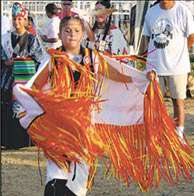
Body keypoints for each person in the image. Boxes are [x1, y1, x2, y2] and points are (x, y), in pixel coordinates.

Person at [13, 16, 132, 196]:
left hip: (83, 126)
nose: (72, 35)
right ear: (60, 33)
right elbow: (35, 86)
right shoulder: (53, 59)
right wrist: (44, 109)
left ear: (83, 34)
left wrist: (139, 79)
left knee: (78, 177)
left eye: (77, 31)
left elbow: (112, 74)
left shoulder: (91, 57)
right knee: (56, 177)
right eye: (67, 30)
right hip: (59, 126)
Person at [142, 0, 194, 141]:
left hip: (178, 67)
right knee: (155, 103)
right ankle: (157, 134)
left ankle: (179, 134)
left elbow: (191, 36)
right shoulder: (151, 12)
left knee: (178, 101)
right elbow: (146, 38)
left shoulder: (182, 11)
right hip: (155, 67)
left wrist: (181, 53)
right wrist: (143, 59)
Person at [1, 2, 46, 149]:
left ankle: (22, 141)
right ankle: (6, 140)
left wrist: (23, 61)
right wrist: (5, 61)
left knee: (24, 110)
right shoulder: (5, 39)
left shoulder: (32, 39)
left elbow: (40, 60)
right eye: (14, 18)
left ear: (25, 20)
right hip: (7, 81)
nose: (17, 22)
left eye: (20, 18)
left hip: (25, 81)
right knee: (7, 110)